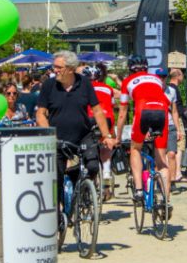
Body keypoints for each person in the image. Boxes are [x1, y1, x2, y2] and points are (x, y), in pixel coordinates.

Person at [37, 50, 116, 208]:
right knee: (57, 178)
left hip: (82, 135)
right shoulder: (49, 85)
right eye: (54, 67)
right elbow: (40, 114)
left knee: (93, 166)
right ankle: (61, 213)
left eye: (59, 67)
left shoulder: (84, 83)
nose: (55, 70)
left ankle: (82, 192)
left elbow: (97, 110)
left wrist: (107, 135)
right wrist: (48, 135)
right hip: (57, 137)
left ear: (71, 69)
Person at [115, 55, 172, 204]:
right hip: (162, 112)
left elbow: (122, 113)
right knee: (162, 161)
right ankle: (166, 201)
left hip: (143, 111)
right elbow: (166, 101)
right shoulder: (157, 79)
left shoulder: (127, 81)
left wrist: (118, 137)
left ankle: (139, 190)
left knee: (135, 149)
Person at [83, 65, 116, 199]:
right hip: (107, 118)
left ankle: (87, 175)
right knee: (105, 146)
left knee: (86, 142)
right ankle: (107, 172)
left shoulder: (83, 88)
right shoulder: (108, 88)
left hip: (90, 117)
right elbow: (112, 105)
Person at [168, 69, 187, 182]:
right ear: (178, 76)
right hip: (176, 120)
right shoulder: (173, 89)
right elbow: (175, 108)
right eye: (183, 75)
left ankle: (175, 172)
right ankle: (177, 172)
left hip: (173, 119)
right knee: (180, 145)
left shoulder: (169, 88)